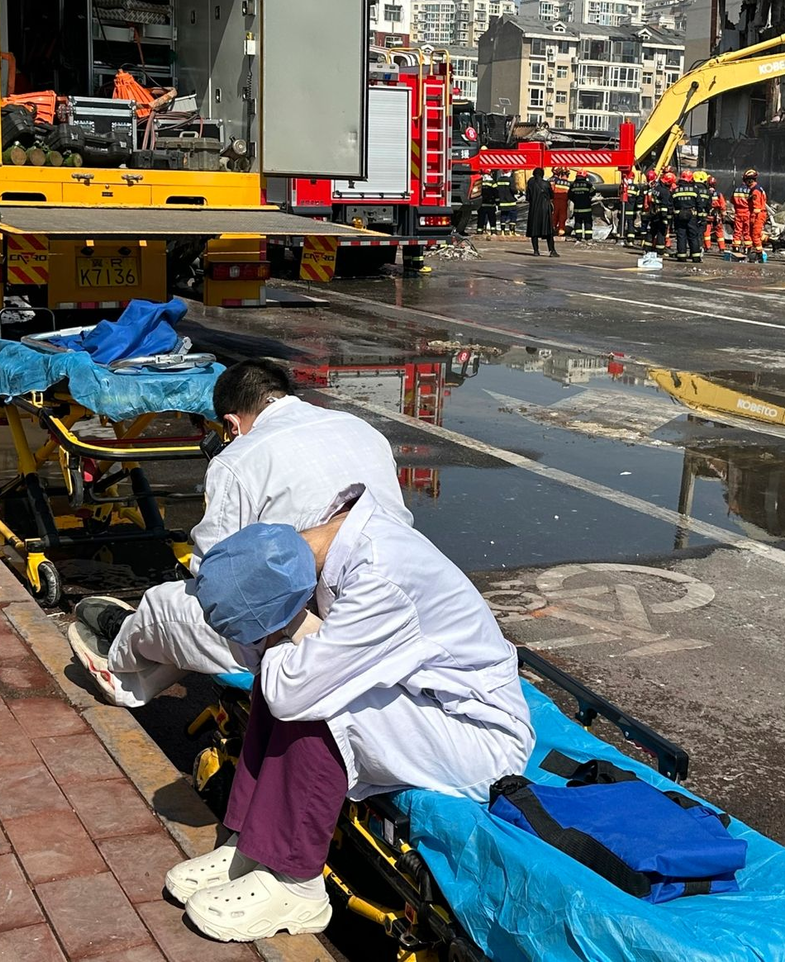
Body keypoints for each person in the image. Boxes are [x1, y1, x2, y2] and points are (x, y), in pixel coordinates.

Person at [164, 486, 535, 944]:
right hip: (425, 698)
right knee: (287, 677)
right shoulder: (322, 538)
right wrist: (282, 636)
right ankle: (250, 843)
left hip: (479, 737)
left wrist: (279, 635)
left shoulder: (381, 577)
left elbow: (291, 693)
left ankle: (295, 884)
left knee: (316, 699)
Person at [68, 359, 412, 707]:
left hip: (316, 631)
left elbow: (216, 581)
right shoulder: (363, 429)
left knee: (171, 606)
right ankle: (135, 684)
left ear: (231, 423)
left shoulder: (238, 458)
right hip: (398, 598)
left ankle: (121, 651)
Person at [671, 168, 704, 263]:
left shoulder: (675, 190)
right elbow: (699, 205)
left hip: (679, 216)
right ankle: (696, 257)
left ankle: (681, 256)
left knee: (681, 236)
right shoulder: (695, 190)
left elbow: (671, 204)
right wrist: (701, 218)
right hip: (692, 217)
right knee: (693, 236)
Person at [525, 167, 558, 257]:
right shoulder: (546, 184)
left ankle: (536, 251)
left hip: (534, 209)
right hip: (545, 210)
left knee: (534, 231)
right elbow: (551, 196)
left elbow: (528, 198)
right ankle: (552, 251)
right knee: (548, 231)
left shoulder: (530, 184)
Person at [646, 170, 674, 256]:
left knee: (652, 231)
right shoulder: (665, 192)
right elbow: (665, 206)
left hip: (653, 213)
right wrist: (665, 218)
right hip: (660, 215)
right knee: (661, 232)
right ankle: (660, 250)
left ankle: (647, 248)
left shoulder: (656, 186)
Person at [744, 169, 768, 262]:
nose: (745, 183)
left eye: (746, 181)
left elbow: (756, 207)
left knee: (755, 235)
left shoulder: (755, 191)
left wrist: (753, 218)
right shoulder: (757, 189)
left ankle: (759, 254)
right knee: (755, 234)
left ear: (750, 180)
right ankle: (759, 251)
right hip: (759, 214)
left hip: (758, 215)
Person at [568, 170, 594, 243]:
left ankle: (578, 237)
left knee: (578, 222)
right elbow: (593, 192)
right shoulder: (588, 184)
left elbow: (569, 195)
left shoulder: (573, 185)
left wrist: (575, 200)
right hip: (587, 208)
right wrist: (588, 197)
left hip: (577, 208)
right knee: (588, 222)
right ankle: (588, 237)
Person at [704, 176, 727, 252]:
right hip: (717, 215)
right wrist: (723, 215)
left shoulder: (705, 193)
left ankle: (707, 247)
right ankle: (722, 248)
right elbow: (723, 205)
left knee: (707, 231)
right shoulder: (718, 194)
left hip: (708, 215)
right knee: (719, 232)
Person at [549, 166, 572, 240]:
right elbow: (570, 194)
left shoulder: (556, 182)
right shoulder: (569, 184)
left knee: (554, 216)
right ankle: (560, 231)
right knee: (562, 217)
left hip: (555, 201)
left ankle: (551, 229)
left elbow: (552, 191)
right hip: (563, 202)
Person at [730, 176, 751, 255]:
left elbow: (732, 200)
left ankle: (736, 246)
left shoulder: (736, 190)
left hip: (738, 212)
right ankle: (747, 247)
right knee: (747, 231)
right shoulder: (749, 190)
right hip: (747, 212)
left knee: (737, 231)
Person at [476, 169, 499, 237]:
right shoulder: (492, 182)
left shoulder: (479, 182)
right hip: (491, 204)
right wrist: (497, 202)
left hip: (481, 204)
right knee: (492, 218)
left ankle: (479, 231)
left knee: (481, 218)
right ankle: (493, 231)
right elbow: (496, 193)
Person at [497, 171, 518, 235]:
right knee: (513, 217)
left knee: (503, 216)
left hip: (502, 202)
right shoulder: (510, 180)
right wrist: (517, 192)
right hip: (511, 202)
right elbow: (513, 190)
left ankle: (502, 231)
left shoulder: (499, 180)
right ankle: (512, 231)